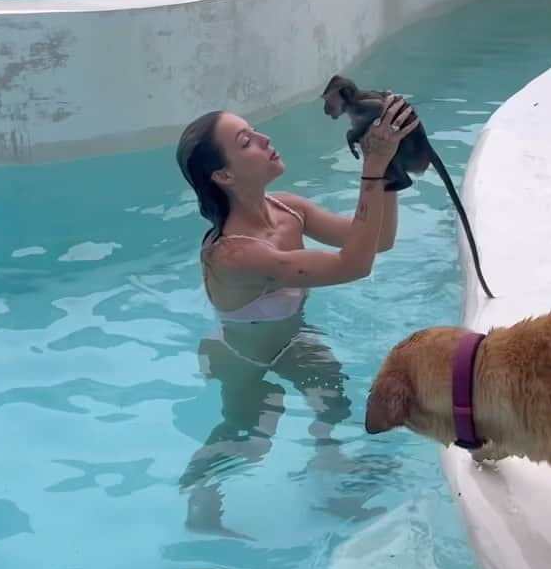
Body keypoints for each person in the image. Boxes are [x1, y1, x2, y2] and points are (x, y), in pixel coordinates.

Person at [175, 93, 419, 530]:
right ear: (224, 174)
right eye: (247, 140)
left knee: (335, 404)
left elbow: (376, 241)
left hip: (291, 339)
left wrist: (391, 168)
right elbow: (354, 265)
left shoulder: (288, 208)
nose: (266, 139)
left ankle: (329, 477)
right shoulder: (232, 255)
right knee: (252, 435)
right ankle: (200, 496)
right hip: (243, 360)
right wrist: (374, 165)